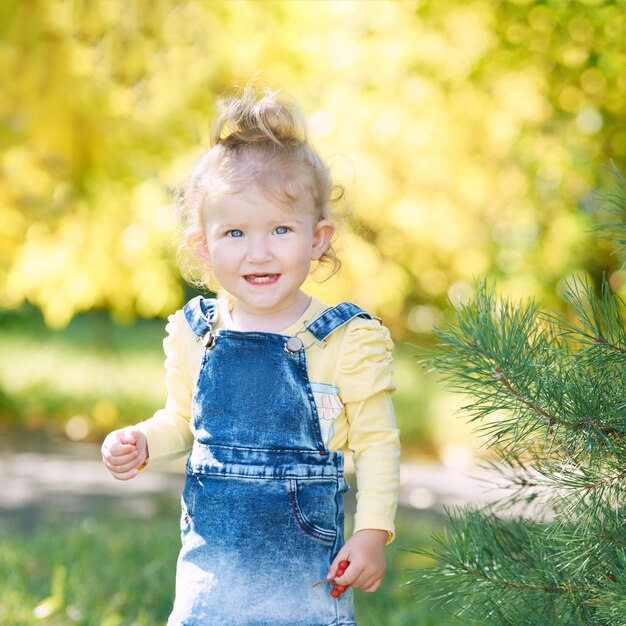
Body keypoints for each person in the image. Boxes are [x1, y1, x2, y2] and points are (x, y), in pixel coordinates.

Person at [101, 85, 400, 626]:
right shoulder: (196, 331)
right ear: (203, 246)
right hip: (212, 572)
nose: (259, 252)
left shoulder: (344, 340)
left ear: (317, 238)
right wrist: (144, 440)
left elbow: (377, 444)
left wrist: (372, 531)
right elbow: (182, 420)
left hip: (302, 576)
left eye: (281, 230)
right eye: (234, 232)